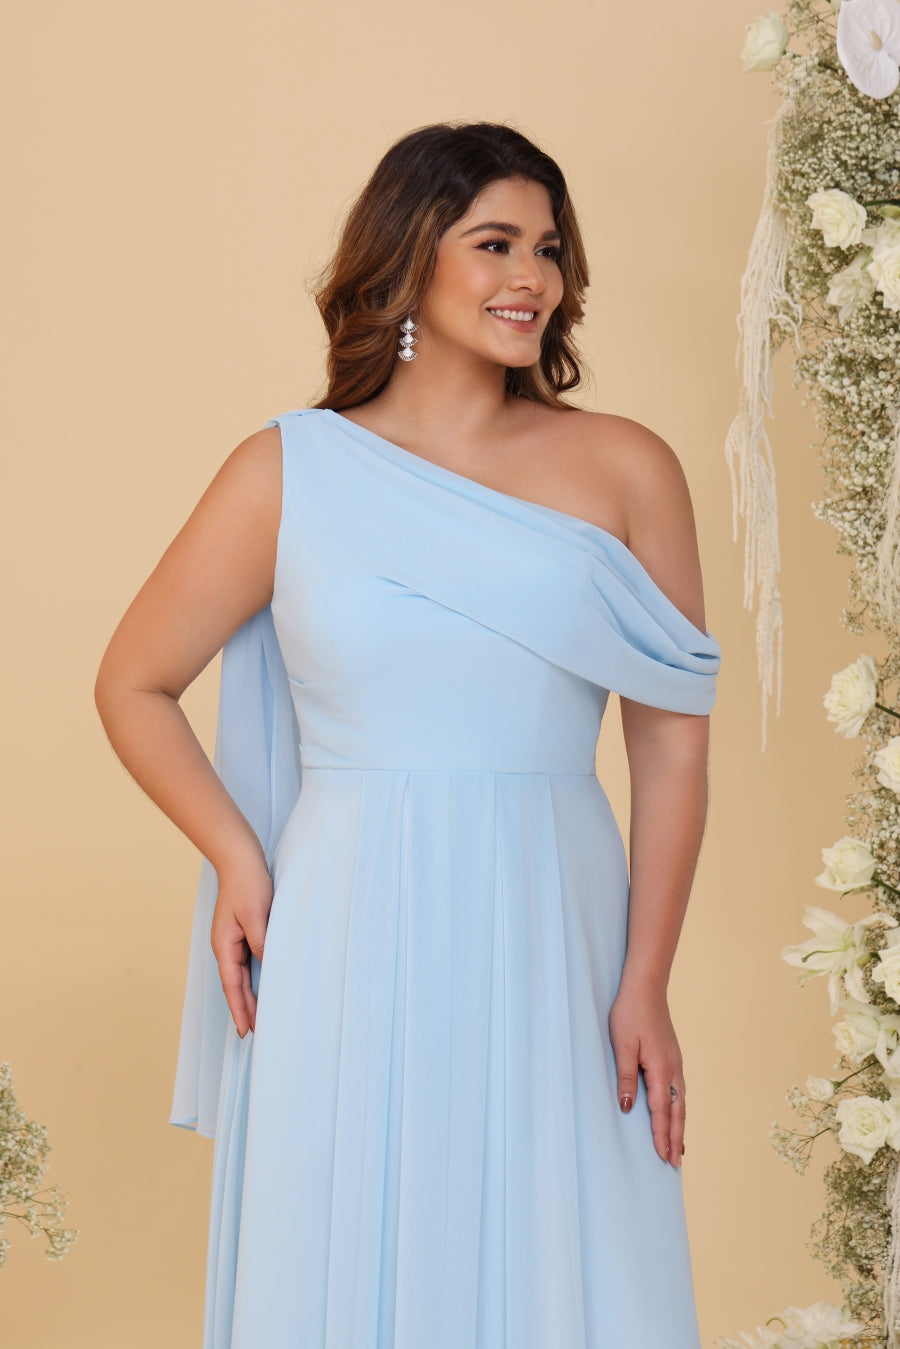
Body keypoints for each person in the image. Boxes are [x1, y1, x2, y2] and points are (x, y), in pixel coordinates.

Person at [94, 120, 722, 1349]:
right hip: (347, 921)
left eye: (549, 249)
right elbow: (133, 681)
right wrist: (236, 853)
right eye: (495, 244)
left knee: (559, 1242)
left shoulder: (627, 468)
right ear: (409, 257)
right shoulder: (287, 469)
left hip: (555, 920)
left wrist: (645, 975)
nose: (532, 277)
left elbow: (671, 747)